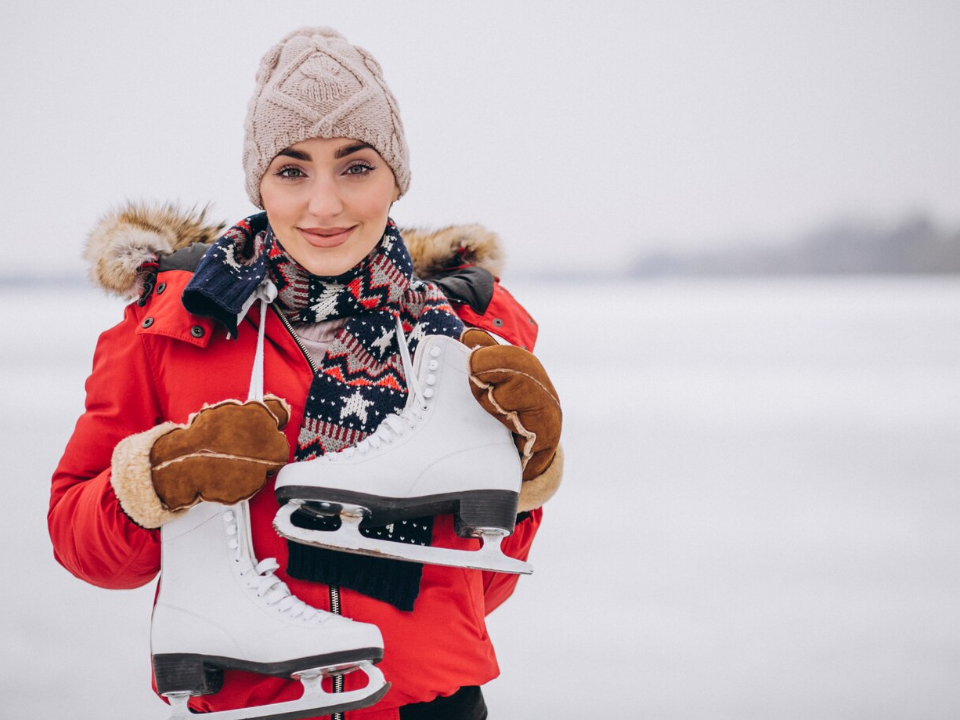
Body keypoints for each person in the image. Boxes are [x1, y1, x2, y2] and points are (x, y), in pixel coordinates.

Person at [49, 27, 562, 720]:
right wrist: (161, 475)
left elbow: (484, 585)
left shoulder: (468, 327)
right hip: (250, 704)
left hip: (427, 705)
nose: (324, 205)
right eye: (292, 171)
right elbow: (82, 543)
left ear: (395, 178)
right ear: (260, 181)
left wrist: (522, 476)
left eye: (355, 167)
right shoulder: (171, 323)